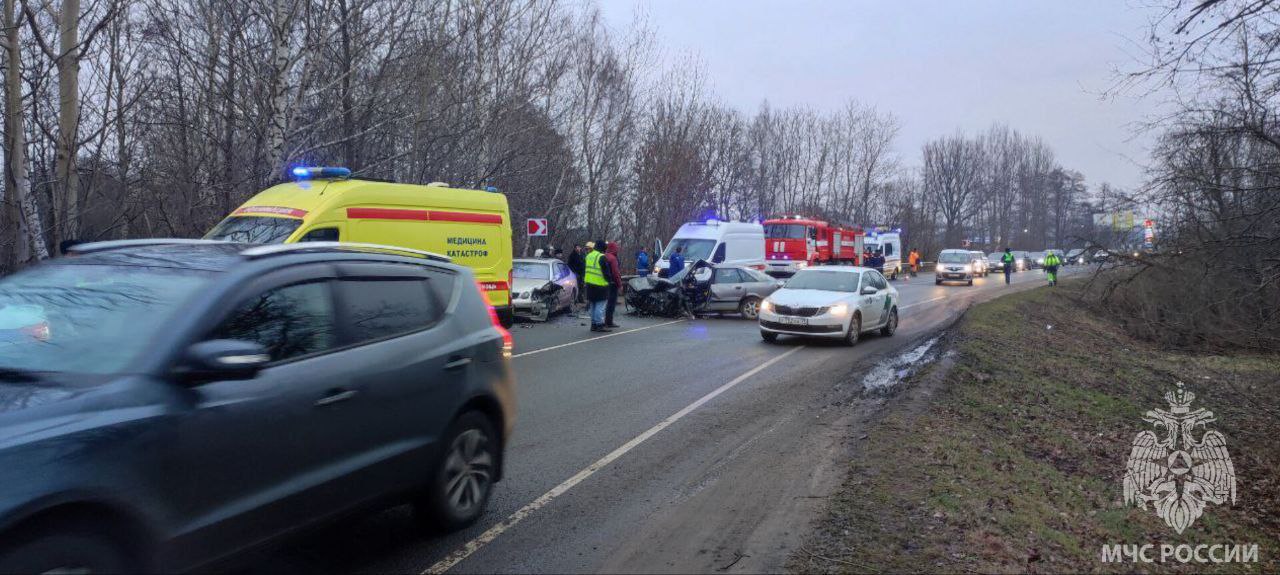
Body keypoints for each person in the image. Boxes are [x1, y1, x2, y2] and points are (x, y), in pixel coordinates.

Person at [583, 241, 611, 332]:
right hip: (600, 285)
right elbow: (606, 272)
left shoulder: (588, 256)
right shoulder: (601, 257)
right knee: (600, 305)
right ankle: (600, 324)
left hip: (589, 285)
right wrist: (609, 281)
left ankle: (593, 324)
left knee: (593, 305)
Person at [603, 242, 624, 328]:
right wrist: (620, 285)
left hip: (604, 283)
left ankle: (602, 321)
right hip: (612, 283)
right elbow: (616, 273)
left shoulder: (604, 256)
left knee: (604, 303)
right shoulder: (613, 258)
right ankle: (609, 321)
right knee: (611, 303)